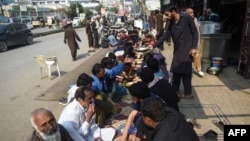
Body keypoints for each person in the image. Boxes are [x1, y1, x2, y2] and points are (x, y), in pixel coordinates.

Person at [154, 6, 198, 99]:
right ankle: (175, 91)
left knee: (186, 72)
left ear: (173, 12)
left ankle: (188, 93)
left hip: (187, 50)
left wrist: (194, 47)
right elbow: (166, 35)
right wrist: (155, 44)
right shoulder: (171, 23)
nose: (166, 17)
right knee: (176, 70)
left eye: (167, 14)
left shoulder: (186, 18)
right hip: (177, 50)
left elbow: (195, 32)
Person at [186, 7, 204, 77]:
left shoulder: (195, 20)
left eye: (193, 12)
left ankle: (198, 69)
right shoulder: (185, 21)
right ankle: (188, 70)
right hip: (188, 42)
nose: (192, 14)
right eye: (190, 13)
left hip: (196, 41)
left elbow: (197, 31)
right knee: (188, 57)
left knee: (196, 55)